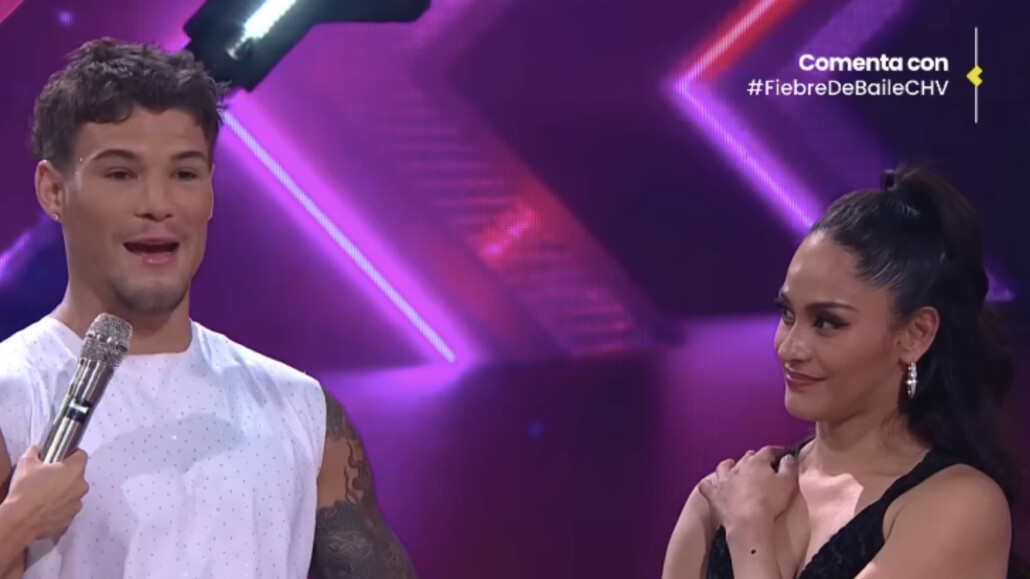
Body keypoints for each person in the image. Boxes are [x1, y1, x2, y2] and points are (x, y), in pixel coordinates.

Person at [0, 38, 416, 579]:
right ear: (54, 191)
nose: (158, 204)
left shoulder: (301, 409)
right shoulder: (11, 392)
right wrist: (16, 523)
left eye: (184, 174)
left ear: (210, 193)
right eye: (121, 174)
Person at [661, 166, 1022, 579]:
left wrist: (749, 534)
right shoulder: (720, 498)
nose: (789, 347)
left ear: (915, 334)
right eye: (787, 314)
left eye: (827, 322)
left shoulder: (959, 505)